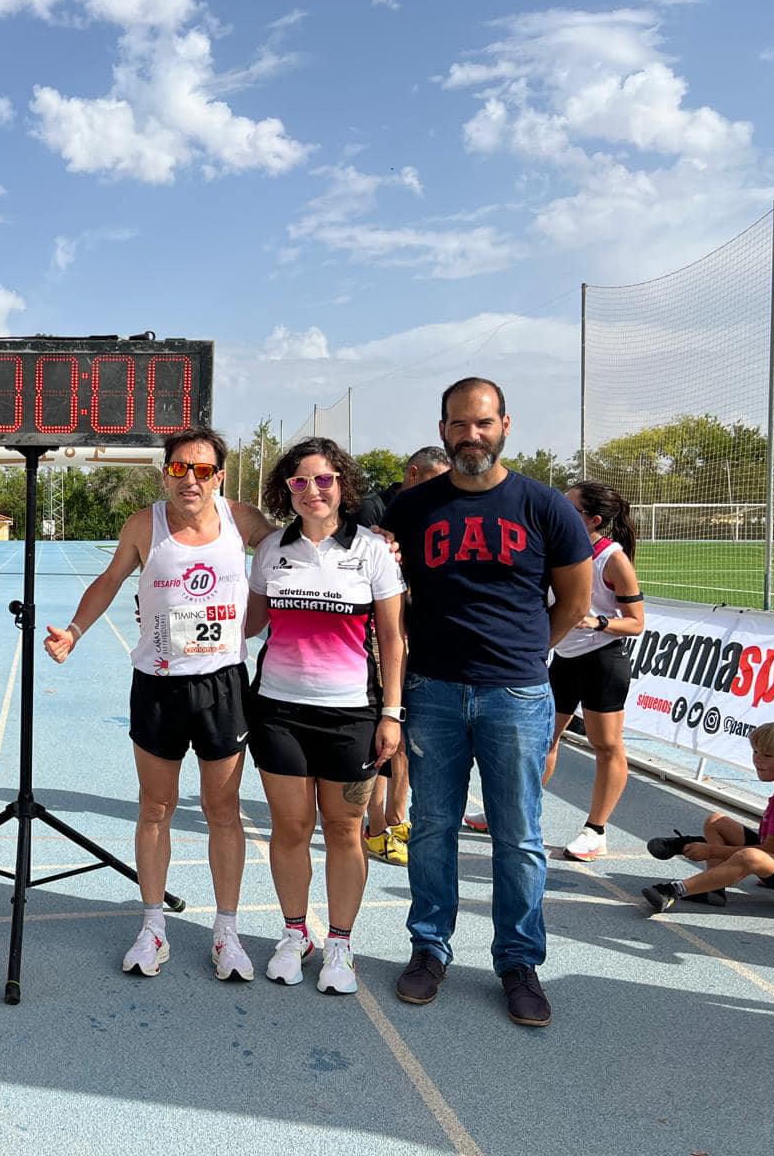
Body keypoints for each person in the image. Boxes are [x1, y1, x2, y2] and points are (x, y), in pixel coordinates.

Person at [380, 377, 591, 1027]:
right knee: (434, 827)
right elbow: (383, 578)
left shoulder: (543, 506)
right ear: (444, 429)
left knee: (519, 837)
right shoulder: (413, 510)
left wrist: (526, 655)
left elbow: (575, 603)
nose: (471, 435)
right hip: (434, 692)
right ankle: (429, 948)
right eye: (459, 424)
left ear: (505, 425)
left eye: (483, 423)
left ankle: (519, 961)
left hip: (517, 694)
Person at [45, 427, 274, 981]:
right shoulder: (143, 526)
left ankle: (226, 932)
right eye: (178, 469)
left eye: (201, 469)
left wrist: (376, 539)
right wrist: (74, 631)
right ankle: (153, 927)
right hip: (158, 686)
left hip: (222, 685)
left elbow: (293, 561)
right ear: (165, 472)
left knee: (223, 810)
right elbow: (106, 581)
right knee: (155, 807)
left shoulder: (244, 523)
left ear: (219, 474)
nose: (189, 479)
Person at [245, 438, 405, 995]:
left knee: (344, 830)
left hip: (351, 716)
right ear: (285, 489)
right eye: (299, 481)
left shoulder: (372, 551)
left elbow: (392, 637)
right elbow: (249, 624)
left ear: (343, 485)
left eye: (324, 480)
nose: (312, 490)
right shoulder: (271, 549)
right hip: (277, 712)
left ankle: (339, 941)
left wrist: (391, 712)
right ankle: (295, 934)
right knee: (289, 829)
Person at [538, 481, 645, 861]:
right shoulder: (555, 548)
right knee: (542, 740)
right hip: (564, 658)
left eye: (570, 509)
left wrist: (598, 622)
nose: (559, 513)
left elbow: (636, 623)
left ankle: (596, 830)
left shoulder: (612, 557)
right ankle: (522, 810)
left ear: (593, 519)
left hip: (602, 660)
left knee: (607, 746)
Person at [364, 445, 451, 866]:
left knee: (409, 737)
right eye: (437, 481)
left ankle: (397, 819)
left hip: (415, 634)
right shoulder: (372, 510)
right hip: (374, 636)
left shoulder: (435, 512)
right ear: (413, 474)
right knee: (386, 736)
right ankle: (377, 826)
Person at [642, 720, 774, 915]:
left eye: (767, 755)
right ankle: (712, 889)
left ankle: (674, 890)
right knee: (716, 821)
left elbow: (770, 850)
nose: (757, 760)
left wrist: (711, 850)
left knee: (751, 857)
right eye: (755, 752)